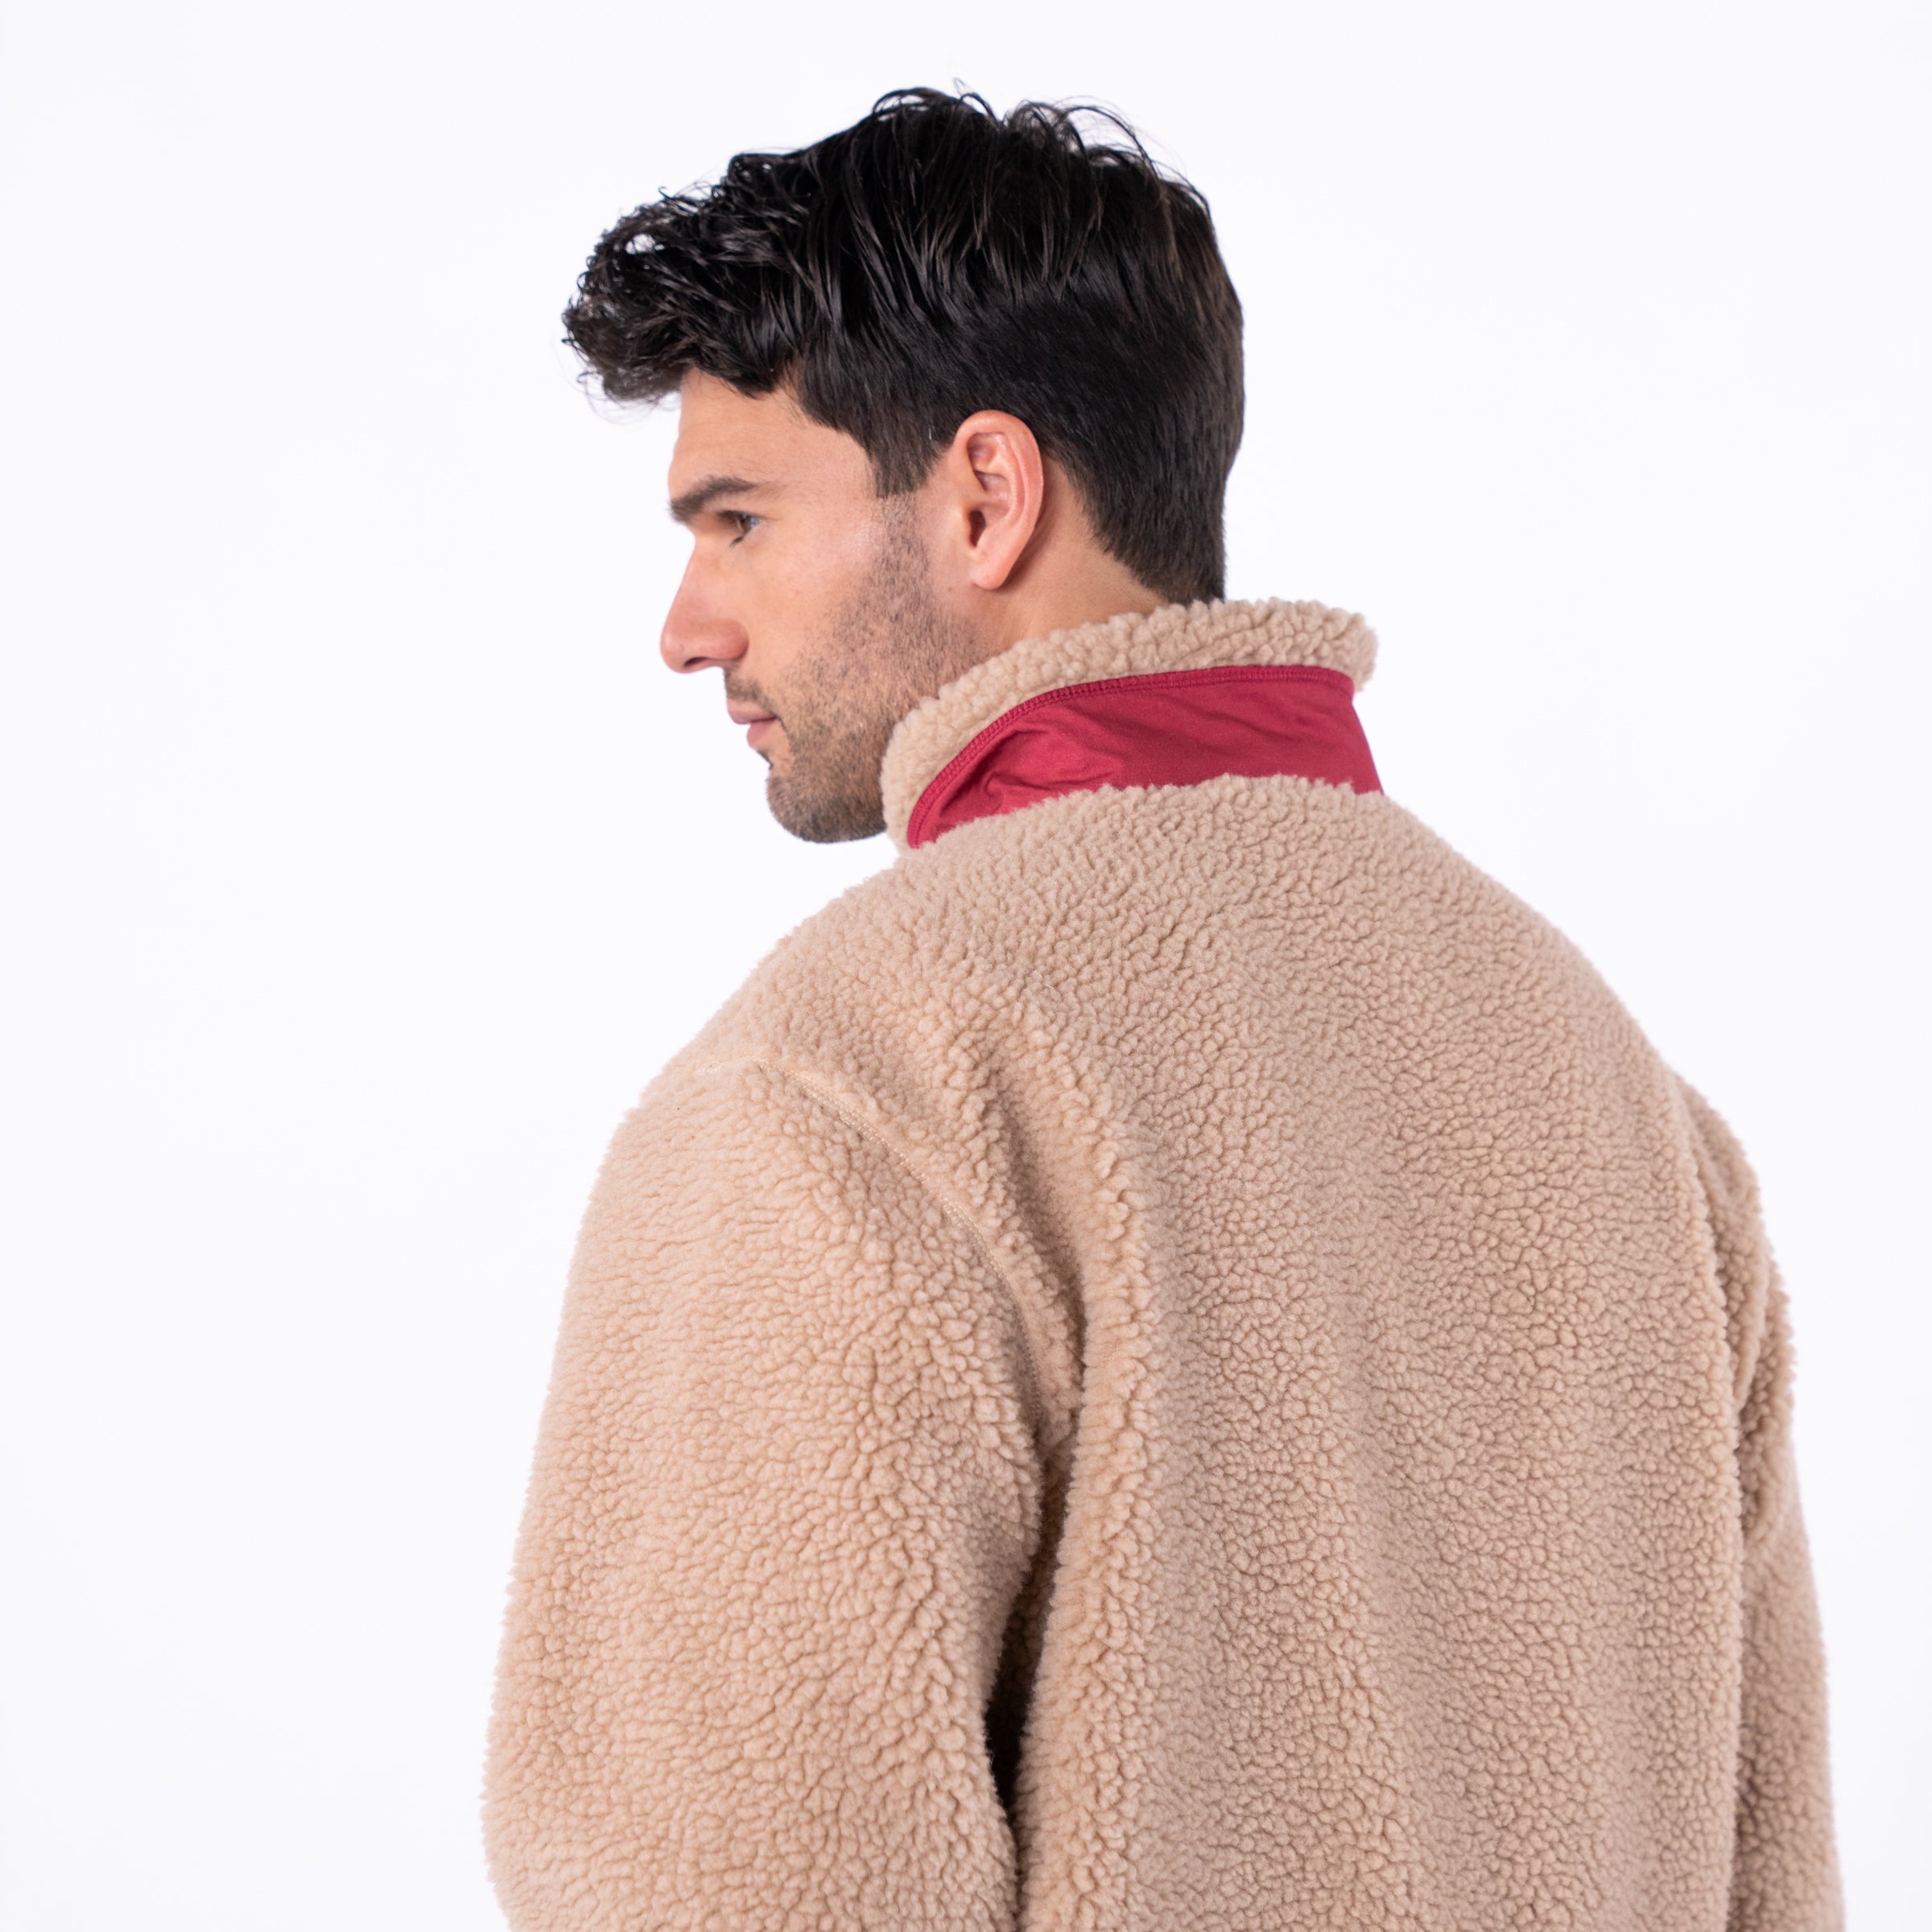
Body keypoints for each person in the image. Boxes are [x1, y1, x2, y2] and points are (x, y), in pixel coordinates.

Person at [483, 89, 1841, 1931]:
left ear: (985, 495)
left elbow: (731, 1889)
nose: (688, 625)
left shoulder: (859, 1073)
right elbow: (1773, 1880)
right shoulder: (1605, 1082)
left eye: (737, 520)